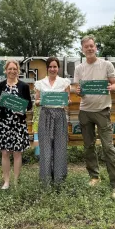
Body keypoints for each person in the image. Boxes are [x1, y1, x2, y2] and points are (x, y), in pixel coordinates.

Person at [74, 35, 115, 199]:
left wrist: (112, 87)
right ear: (82, 49)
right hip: (85, 111)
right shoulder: (79, 68)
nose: (89, 49)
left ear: (96, 48)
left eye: (91, 46)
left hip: (102, 111)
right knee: (89, 146)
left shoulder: (106, 65)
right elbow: (77, 88)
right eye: (86, 46)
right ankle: (94, 176)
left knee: (108, 147)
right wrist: (78, 91)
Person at [0, 59, 32, 189]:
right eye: (9, 69)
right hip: (4, 123)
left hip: (18, 124)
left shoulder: (24, 86)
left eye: (14, 69)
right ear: (6, 70)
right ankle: (6, 181)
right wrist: (0, 101)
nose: (12, 71)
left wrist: (23, 110)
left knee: (17, 153)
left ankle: (15, 181)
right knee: (5, 153)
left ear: (18, 71)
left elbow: (29, 104)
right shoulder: (0, 86)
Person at [34, 57, 71, 186]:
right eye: (50, 66)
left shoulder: (64, 83)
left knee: (60, 147)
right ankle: (46, 180)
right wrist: (43, 100)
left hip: (60, 116)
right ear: (47, 68)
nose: (53, 69)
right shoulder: (40, 83)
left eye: (55, 67)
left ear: (58, 68)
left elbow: (67, 102)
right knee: (45, 148)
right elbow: (37, 102)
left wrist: (65, 102)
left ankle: (59, 179)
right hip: (45, 115)